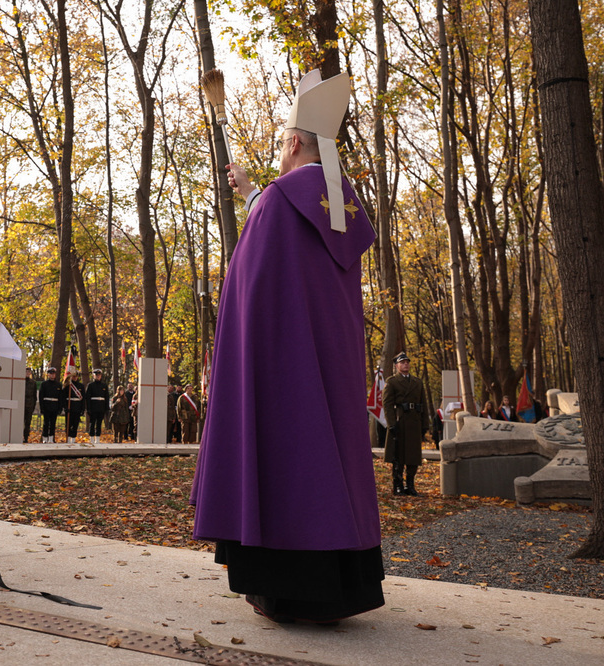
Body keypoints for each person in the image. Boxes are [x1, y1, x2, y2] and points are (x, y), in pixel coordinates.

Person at [192, 70, 384, 625]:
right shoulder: (341, 208)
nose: (280, 151)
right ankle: (340, 587)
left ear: (295, 141)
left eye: (281, 141)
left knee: (287, 461)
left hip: (281, 377)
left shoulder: (280, 203)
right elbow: (297, 255)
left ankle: (284, 587)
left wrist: (260, 200)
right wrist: (254, 194)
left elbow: (251, 293)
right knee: (327, 462)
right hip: (329, 373)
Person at [383, 351, 427, 497]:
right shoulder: (392, 382)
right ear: (396, 366)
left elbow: (423, 404)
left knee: (413, 457)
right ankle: (398, 485)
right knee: (399, 456)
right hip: (399, 422)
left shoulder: (417, 382)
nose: (405, 364)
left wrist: (425, 424)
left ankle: (410, 485)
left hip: (414, 423)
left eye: (407, 362)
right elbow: (387, 405)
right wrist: (391, 424)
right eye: (402, 362)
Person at [85, 368, 109, 443]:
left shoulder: (104, 385)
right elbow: (87, 398)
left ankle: (97, 439)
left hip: (101, 407)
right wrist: (88, 408)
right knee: (92, 423)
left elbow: (106, 398)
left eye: (99, 375)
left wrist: (106, 408)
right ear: (93, 376)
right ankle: (92, 438)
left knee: (99, 424)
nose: (98, 376)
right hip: (93, 407)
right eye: (96, 375)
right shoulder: (90, 385)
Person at [38, 367, 62, 443]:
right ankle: (45, 438)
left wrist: (59, 408)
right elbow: (41, 397)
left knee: (53, 423)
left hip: (55, 406)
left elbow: (60, 397)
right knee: (46, 423)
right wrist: (41, 407)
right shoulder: (44, 384)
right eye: (51, 373)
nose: (52, 375)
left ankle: (51, 438)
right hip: (46, 406)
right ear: (48, 374)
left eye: (53, 373)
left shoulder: (58, 385)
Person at [63, 370, 85, 443]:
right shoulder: (67, 386)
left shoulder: (81, 386)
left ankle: (73, 439)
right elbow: (63, 397)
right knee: (69, 424)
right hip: (69, 407)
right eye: (73, 376)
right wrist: (65, 407)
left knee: (75, 424)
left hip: (77, 407)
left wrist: (82, 409)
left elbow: (83, 398)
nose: (75, 378)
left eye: (76, 376)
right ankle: (68, 438)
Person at [23, 367, 38, 442]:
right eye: (26, 371)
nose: (27, 373)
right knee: (20, 422)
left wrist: (33, 405)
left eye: (29, 372)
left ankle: (26, 437)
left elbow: (34, 396)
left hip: (29, 405)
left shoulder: (33, 383)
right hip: (22, 405)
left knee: (28, 423)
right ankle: (20, 436)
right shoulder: (20, 381)